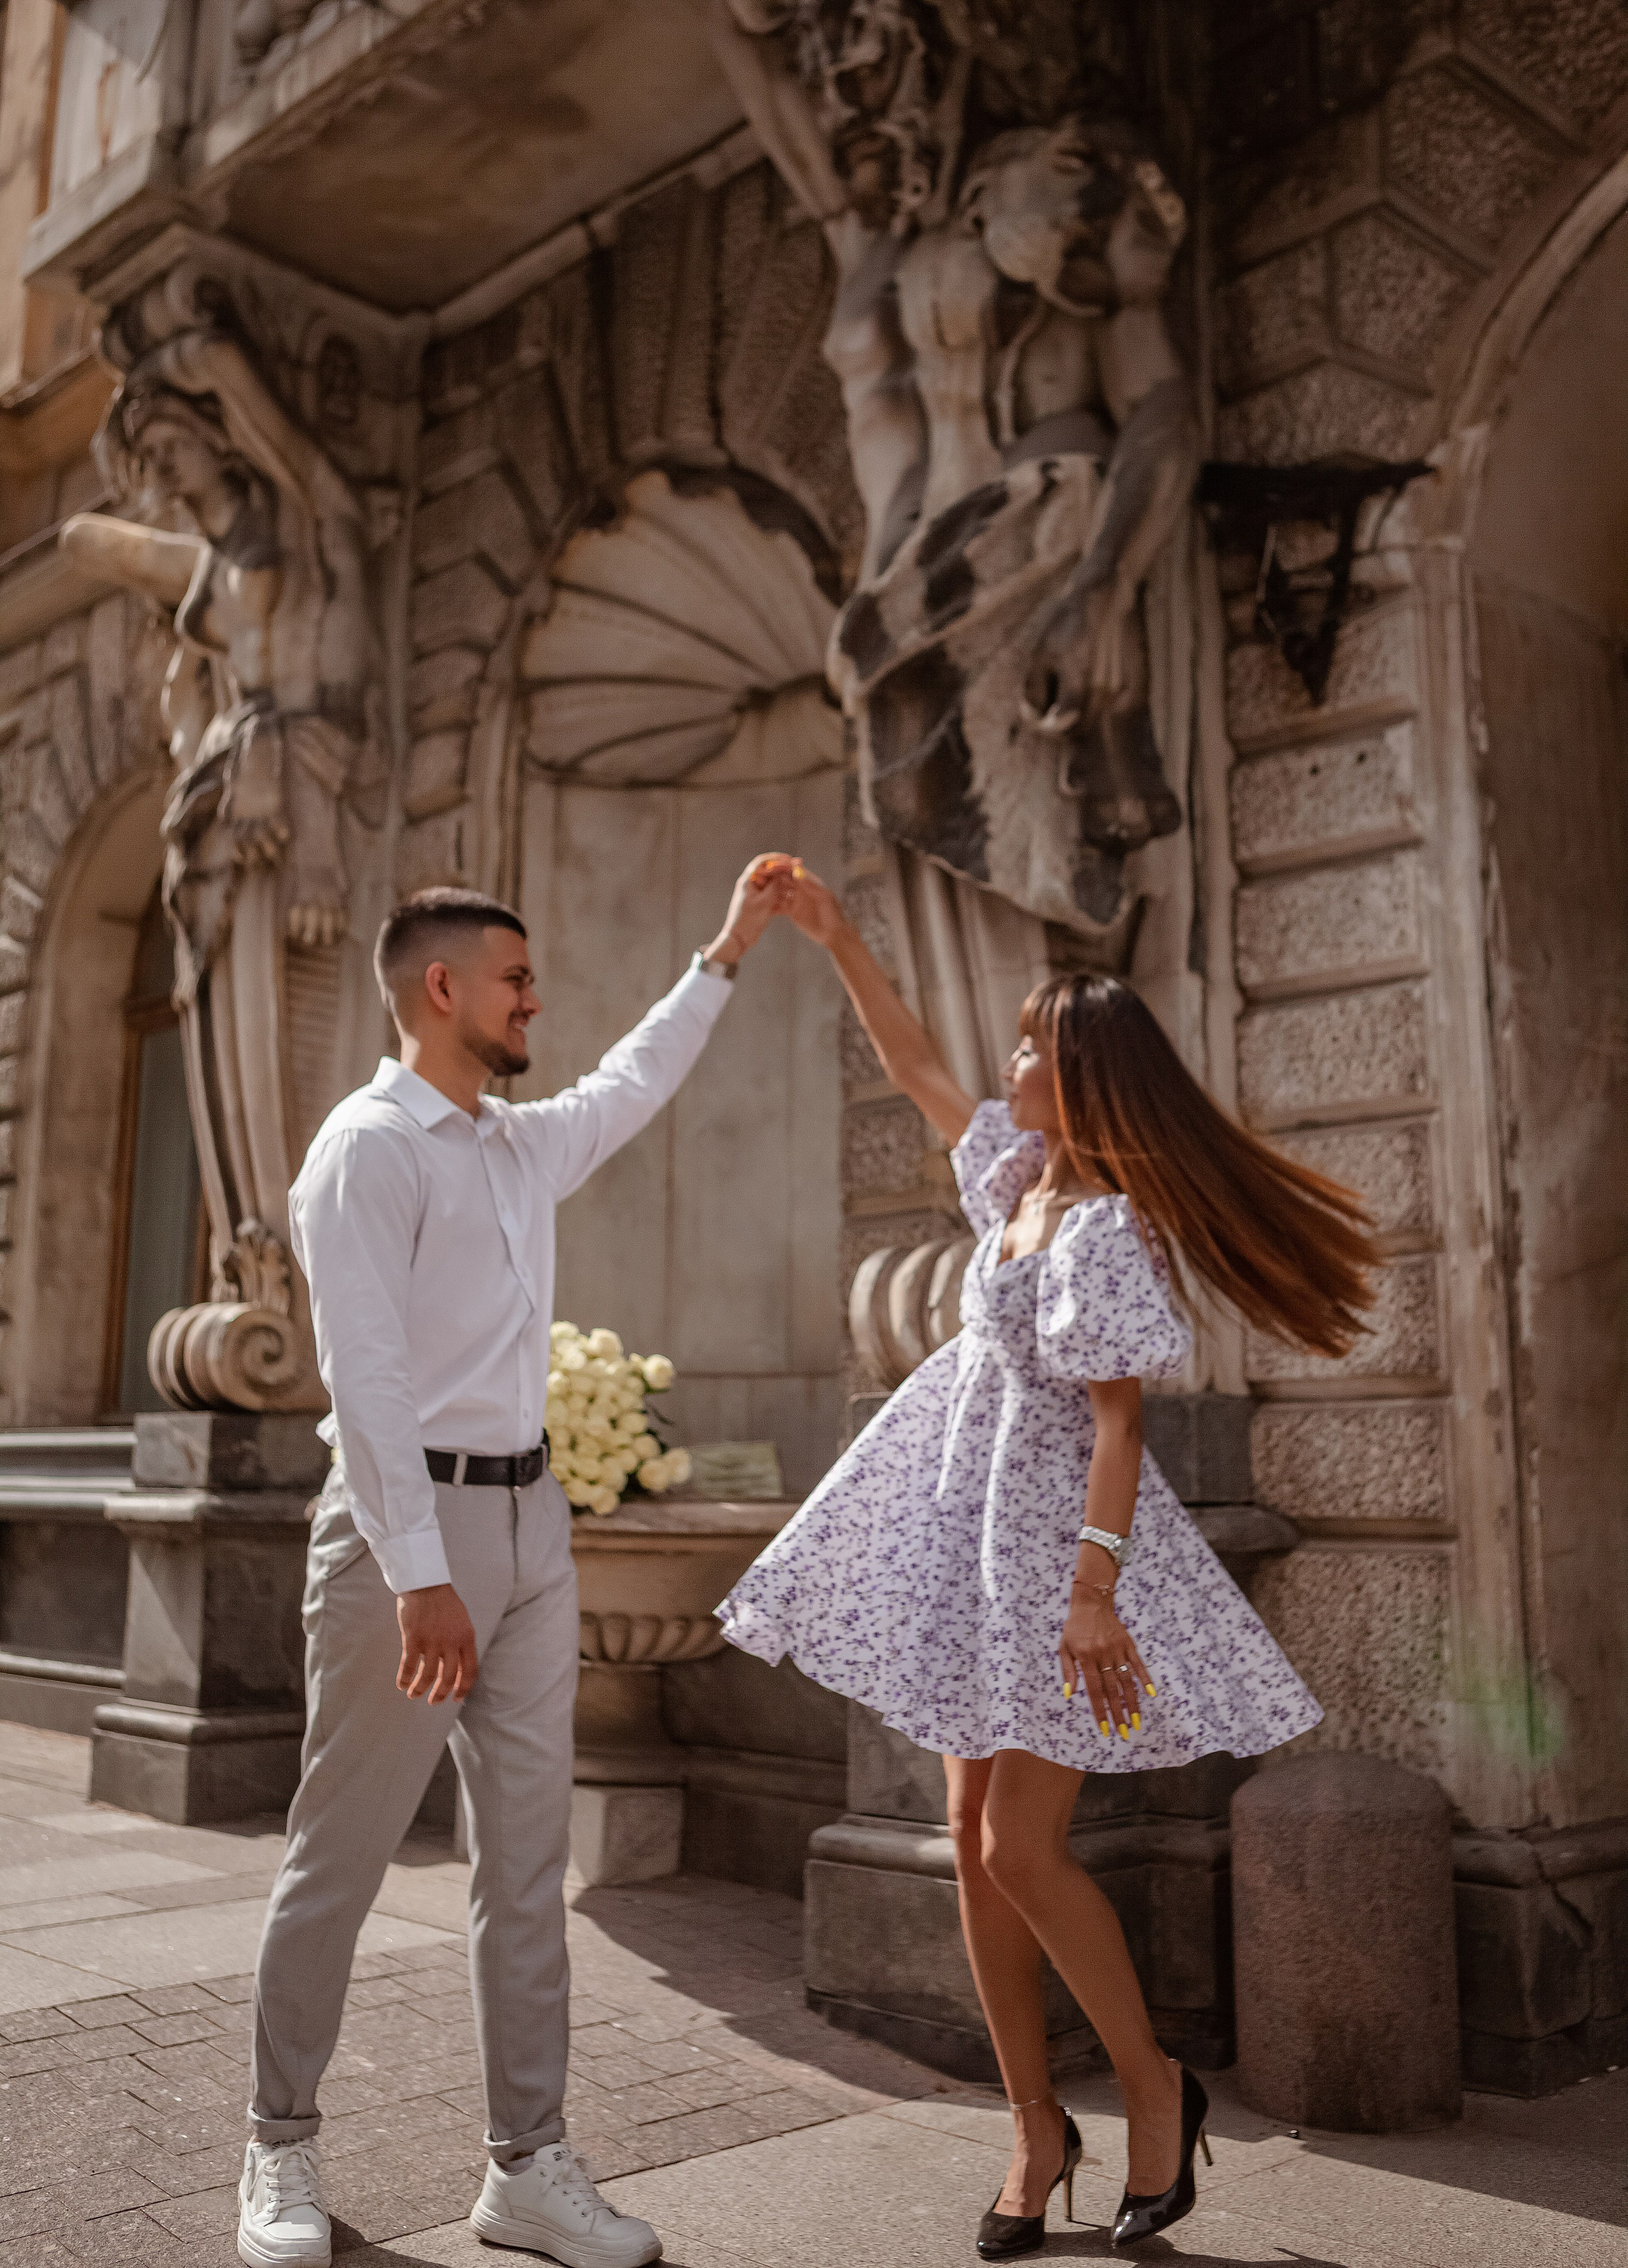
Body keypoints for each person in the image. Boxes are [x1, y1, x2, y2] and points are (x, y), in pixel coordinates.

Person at [717, 863, 1379, 2255]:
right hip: (967, 1543)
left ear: (1080, 1076)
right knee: (965, 1846)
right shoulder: (1016, 1179)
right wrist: (836, 938)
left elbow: (1121, 1427)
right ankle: (1033, 2128)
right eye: (1016, 1039)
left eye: (1031, 1043)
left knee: (1023, 1844)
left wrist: (1090, 1597)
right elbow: (907, 1065)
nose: (1008, 1059)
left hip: (1059, 1565)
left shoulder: (1107, 1230)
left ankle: (1152, 2088)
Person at [238, 862, 792, 2268]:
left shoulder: (510, 1144)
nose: (535, 1000)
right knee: (340, 1859)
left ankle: (525, 2169)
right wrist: (419, 1566)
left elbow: (632, 1080)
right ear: (444, 989)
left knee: (527, 1868)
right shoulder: (368, 1148)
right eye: (516, 980)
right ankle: (279, 2150)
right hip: (399, 1541)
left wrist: (722, 951)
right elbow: (361, 1376)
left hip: (534, 1529)